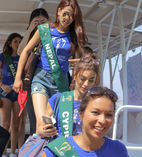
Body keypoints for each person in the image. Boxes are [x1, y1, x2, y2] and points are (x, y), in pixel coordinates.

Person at [13, 0, 88, 133]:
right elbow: (24, 51)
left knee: (59, 126)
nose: (67, 19)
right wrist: (18, 78)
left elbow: (82, 59)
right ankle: (35, 153)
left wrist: (77, 65)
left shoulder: (73, 36)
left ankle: (50, 153)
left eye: (71, 16)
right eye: (65, 14)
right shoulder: (44, 30)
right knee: (42, 125)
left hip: (61, 83)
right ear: (58, 11)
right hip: (40, 79)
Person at [17, 8, 50, 135]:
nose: (40, 24)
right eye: (36, 21)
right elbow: (21, 51)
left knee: (50, 119)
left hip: (52, 79)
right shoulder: (30, 35)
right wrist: (31, 28)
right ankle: (35, 152)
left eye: (43, 21)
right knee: (35, 120)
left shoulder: (53, 32)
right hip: (33, 81)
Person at [0, 33, 22, 157]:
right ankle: (3, 153)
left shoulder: (23, 57)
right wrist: (2, 85)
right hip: (6, 93)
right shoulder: (3, 57)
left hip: (18, 92)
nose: (18, 44)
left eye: (20, 42)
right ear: (10, 43)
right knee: (5, 124)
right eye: (15, 41)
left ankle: (12, 152)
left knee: (16, 125)